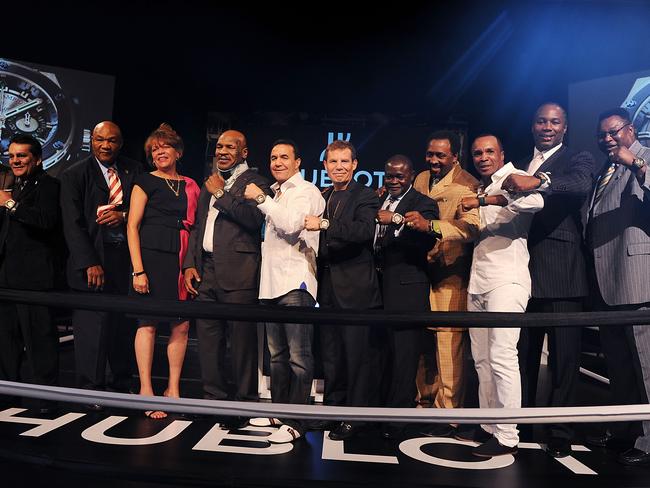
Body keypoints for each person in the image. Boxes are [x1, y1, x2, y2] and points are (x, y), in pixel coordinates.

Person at [503, 102, 594, 458]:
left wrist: (538, 180)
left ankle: (560, 429)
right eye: (541, 120)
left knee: (563, 359)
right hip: (521, 273)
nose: (547, 127)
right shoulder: (520, 164)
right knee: (522, 356)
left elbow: (579, 184)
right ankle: (521, 423)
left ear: (565, 128)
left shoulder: (578, 159)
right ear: (532, 125)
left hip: (562, 273)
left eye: (555, 122)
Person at [458, 134, 543, 457]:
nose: (482, 157)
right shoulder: (481, 185)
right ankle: (488, 424)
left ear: (502, 153)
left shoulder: (513, 179)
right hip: (478, 281)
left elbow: (536, 202)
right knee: (481, 360)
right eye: (477, 153)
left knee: (503, 357)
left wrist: (487, 201)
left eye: (489, 151)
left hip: (507, 281)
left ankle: (508, 434)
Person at [183, 130, 271, 424]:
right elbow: (197, 226)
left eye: (230, 147)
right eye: (219, 146)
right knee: (208, 341)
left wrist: (221, 193)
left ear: (244, 153)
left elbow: (253, 220)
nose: (222, 151)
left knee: (242, 343)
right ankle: (214, 401)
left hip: (240, 271)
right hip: (206, 269)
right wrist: (189, 264)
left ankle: (245, 403)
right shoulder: (211, 181)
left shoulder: (257, 182)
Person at [244, 139, 325, 443]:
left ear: (298, 162)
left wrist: (262, 199)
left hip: (296, 282)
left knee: (299, 356)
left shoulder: (306, 191)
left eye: (284, 158)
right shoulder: (277, 193)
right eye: (273, 157)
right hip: (271, 283)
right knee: (276, 356)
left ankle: (296, 420)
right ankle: (278, 411)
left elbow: (292, 225)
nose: (277, 162)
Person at [583, 108, 650, 466]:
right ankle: (625, 430)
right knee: (619, 366)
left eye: (613, 132)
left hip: (637, 279)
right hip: (605, 282)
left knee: (646, 366)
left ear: (632, 129)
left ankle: (649, 440)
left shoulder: (645, 158)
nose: (607, 139)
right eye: (602, 135)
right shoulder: (603, 171)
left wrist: (638, 164)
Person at [304, 140, 382, 440]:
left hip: (357, 290)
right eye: (332, 162)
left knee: (357, 357)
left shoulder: (365, 195)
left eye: (343, 162)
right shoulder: (323, 195)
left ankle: (354, 417)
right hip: (327, 291)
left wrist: (323, 223)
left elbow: (363, 232)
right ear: (325, 167)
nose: (338, 167)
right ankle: (332, 412)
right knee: (332, 356)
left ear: (354, 165)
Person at [60, 121, 141, 407]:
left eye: (112, 141)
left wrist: (125, 214)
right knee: (91, 331)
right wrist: (89, 262)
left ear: (121, 143)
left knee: (122, 328)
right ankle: (89, 391)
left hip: (124, 262)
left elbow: (147, 208)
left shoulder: (133, 170)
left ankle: (120, 386)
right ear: (91, 141)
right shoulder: (74, 174)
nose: (106, 145)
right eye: (100, 140)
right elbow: (72, 224)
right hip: (92, 263)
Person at [127, 123, 200, 419]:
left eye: (164, 147)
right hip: (151, 257)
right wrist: (138, 271)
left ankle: (173, 389)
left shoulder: (191, 185)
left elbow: (194, 226)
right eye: (154, 149)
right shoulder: (144, 181)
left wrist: (189, 264)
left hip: (180, 258)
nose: (159, 152)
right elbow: (131, 226)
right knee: (148, 323)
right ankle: (146, 389)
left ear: (177, 151)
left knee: (181, 324)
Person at [412, 130, 480, 437]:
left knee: (448, 346)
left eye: (441, 155)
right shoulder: (420, 179)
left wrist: (434, 227)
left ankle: (448, 414)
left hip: (450, 273)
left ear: (455, 156)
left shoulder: (468, 183)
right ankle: (423, 405)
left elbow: (473, 227)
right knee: (424, 347)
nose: (434, 160)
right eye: (430, 154)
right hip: (418, 273)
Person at [375, 154, 439, 439]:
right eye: (389, 175)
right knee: (382, 354)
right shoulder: (379, 199)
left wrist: (397, 219)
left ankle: (397, 420)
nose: (394, 180)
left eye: (400, 176)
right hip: (378, 289)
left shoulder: (424, 203)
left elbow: (425, 238)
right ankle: (378, 411)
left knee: (404, 358)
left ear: (412, 175)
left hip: (407, 290)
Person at [0, 135, 61, 411]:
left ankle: (44, 401)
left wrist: (10, 205)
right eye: (12, 156)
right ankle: (6, 397)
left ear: (36, 158)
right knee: (5, 344)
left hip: (34, 281)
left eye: (21, 156)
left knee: (39, 344)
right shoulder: (9, 185)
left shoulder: (50, 185)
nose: (15, 161)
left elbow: (46, 221)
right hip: (5, 279)